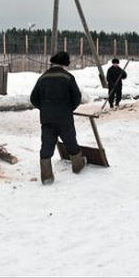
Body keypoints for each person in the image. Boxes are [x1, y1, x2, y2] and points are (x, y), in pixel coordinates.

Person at [30, 51, 85, 185]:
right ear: (65, 64)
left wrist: (45, 108)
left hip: (47, 118)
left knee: (47, 144)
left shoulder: (42, 78)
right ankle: (78, 166)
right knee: (70, 141)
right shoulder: (68, 77)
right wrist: (68, 109)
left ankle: (47, 176)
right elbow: (77, 98)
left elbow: (33, 98)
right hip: (64, 117)